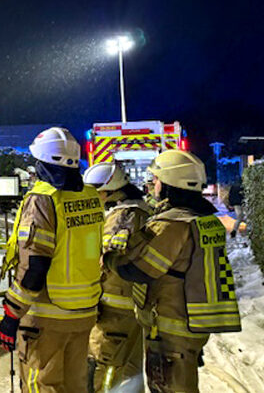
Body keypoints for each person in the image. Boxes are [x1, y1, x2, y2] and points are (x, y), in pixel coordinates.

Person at [103, 150, 241, 393]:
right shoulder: (205, 220)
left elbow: (139, 270)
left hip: (169, 328)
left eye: (156, 180)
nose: (152, 185)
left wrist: (112, 256)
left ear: (170, 184)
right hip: (192, 323)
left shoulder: (171, 225)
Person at [0, 127, 104, 393]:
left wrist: (11, 315)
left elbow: (35, 266)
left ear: (43, 162)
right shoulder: (90, 196)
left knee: (43, 386)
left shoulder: (43, 199)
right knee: (75, 385)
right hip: (85, 312)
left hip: (47, 317)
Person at [83, 162, 153, 393]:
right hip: (132, 306)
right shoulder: (140, 211)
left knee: (105, 364)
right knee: (130, 367)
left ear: (109, 190)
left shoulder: (122, 216)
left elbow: (107, 258)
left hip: (114, 308)